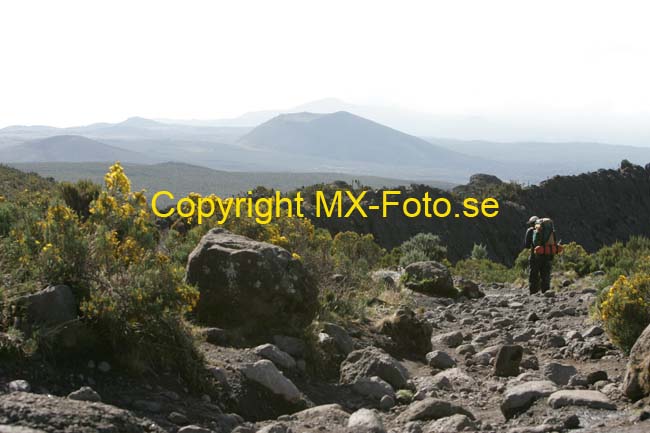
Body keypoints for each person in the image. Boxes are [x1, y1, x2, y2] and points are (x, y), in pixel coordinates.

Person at [524, 216, 553, 294]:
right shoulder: (549, 230)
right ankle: (546, 292)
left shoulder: (530, 231)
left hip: (535, 256)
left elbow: (526, 245)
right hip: (547, 255)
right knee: (545, 274)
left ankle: (533, 292)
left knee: (533, 274)